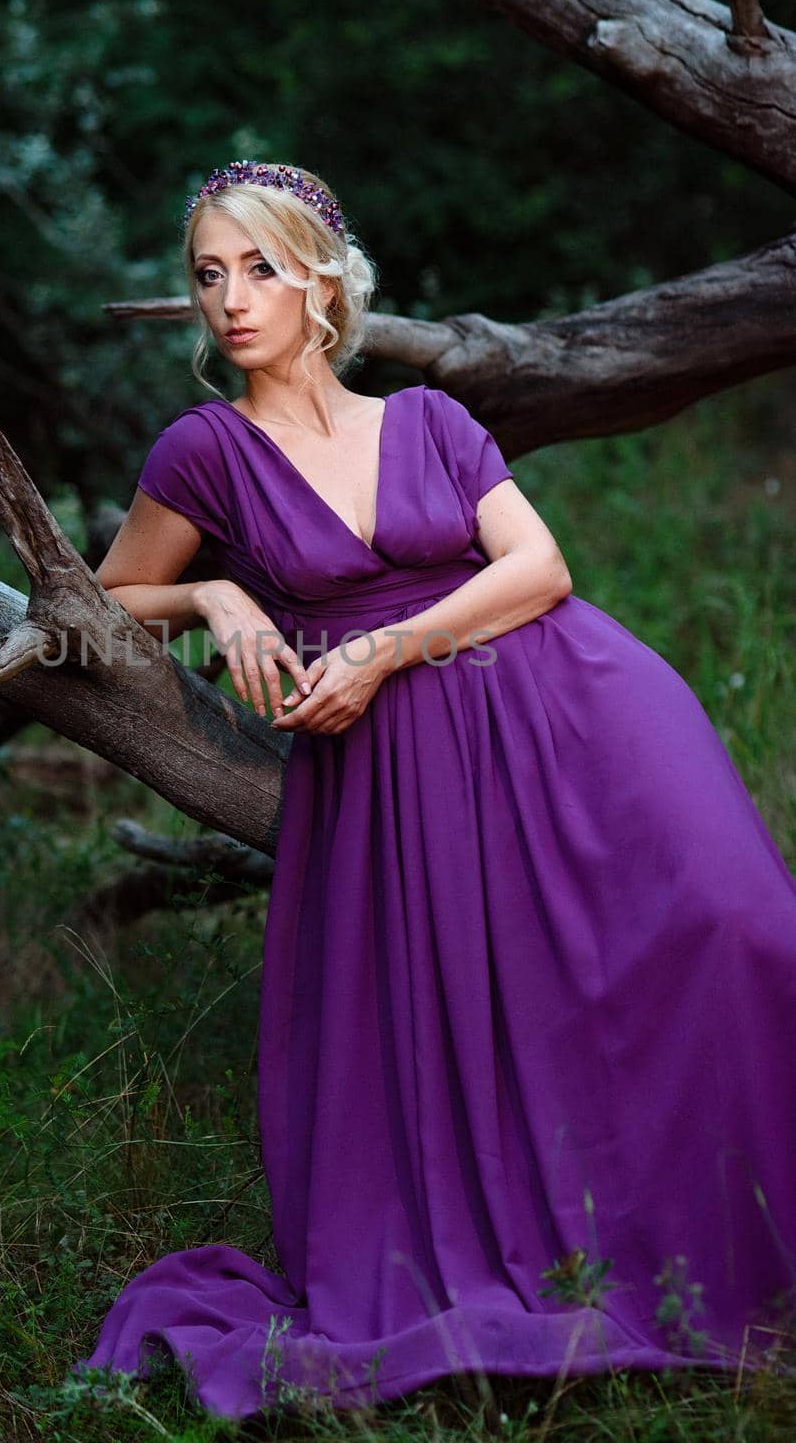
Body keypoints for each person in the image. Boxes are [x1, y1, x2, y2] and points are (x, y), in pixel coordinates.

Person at [72, 160, 796, 1420]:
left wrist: (382, 647)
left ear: (321, 276)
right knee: (494, 1007)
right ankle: (587, 1247)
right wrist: (215, 593)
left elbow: (540, 569)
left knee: (746, 929)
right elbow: (101, 599)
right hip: (397, 776)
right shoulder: (203, 452)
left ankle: (745, 1235)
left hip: (577, 709)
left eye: (261, 267)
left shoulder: (426, 418)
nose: (233, 300)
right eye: (208, 273)